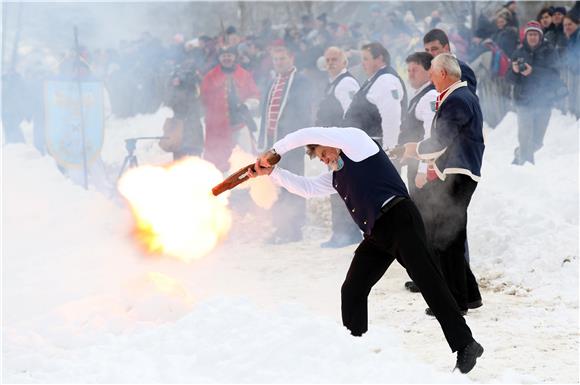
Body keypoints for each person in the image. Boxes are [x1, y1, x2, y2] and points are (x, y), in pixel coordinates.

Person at [247, 125, 484, 374]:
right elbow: (307, 189)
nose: (325, 160)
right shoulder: (337, 176)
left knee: (428, 281)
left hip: (399, 219)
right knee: (352, 289)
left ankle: (466, 344)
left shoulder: (357, 144)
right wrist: (272, 172)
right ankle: (355, 349)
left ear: (330, 141)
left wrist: (275, 151)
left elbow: (305, 133)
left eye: (324, 152)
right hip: (377, 235)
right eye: (321, 158)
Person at [402, 53, 484, 315]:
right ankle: (469, 296)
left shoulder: (457, 99)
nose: (431, 78)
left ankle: (455, 302)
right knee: (453, 234)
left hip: (458, 172)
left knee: (446, 237)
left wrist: (414, 150)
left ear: (445, 74)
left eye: (434, 74)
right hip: (457, 171)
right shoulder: (459, 96)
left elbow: (441, 140)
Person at [258, 45, 313, 244]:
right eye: (276, 60)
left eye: (282, 59)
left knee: (293, 184)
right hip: (273, 143)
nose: (279, 63)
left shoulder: (301, 81)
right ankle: (281, 226)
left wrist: (300, 140)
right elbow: (266, 112)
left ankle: (294, 228)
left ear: (291, 57)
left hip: (292, 143)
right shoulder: (274, 82)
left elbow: (304, 112)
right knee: (276, 183)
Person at [315, 46, 362, 248]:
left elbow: (351, 114)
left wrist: (341, 145)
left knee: (343, 188)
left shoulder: (346, 84)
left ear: (345, 61)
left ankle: (345, 233)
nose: (331, 62)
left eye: (335, 59)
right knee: (339, 186)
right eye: (328, 59)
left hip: (339, 147)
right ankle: (343, 232)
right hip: (332, 145)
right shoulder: (332, 83)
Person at [507, 21, 563, 165]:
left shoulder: (550, 51)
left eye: (535, 34)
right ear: (526, 36)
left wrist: (533, 71)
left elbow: (555, 76)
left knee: (537, 142)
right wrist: (514, 71)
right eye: (530, 34)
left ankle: (519, 154)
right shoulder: (518, 52)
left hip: (544, 101)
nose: (532, 37)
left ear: (540, 36)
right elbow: (509, 78)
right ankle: (526, 171)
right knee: (525, 138)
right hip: (523, 101)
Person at [201, 46, 260, 172]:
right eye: (224, 55)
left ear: (235, 57)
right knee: (220, 158)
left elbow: (255, 95)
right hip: (218, 127)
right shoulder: (210, 76)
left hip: (240, 123)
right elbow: (204, 98)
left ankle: (245, 186)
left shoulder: (244, 75)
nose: (227, 58)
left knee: (245, 157)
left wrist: (246, 105)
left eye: (230, 55)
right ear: (219, 58)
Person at [343, 42, 407, 151]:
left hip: (374, 147)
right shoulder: (376, 79)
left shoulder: (386, 80)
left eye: (366, 59)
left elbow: (391, 117)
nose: (362, 63)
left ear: (379, 59)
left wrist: (389, 150)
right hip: (365, 145)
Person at [397, 52, 437, 196]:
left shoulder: (431, 96)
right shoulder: (419, 94)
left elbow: (430, 135)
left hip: (423, 168)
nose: (410, 74)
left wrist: (423, 170)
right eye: (408, 70)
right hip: (415, 162)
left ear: (429, 71)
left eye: (415, 70)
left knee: (424, 213)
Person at [424, 29, 477, 94]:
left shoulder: (462, 70)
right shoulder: (429, 69)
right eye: (427, 50)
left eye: (434, 49)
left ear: (446, 48)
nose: (430, 53)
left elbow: (466, 99)